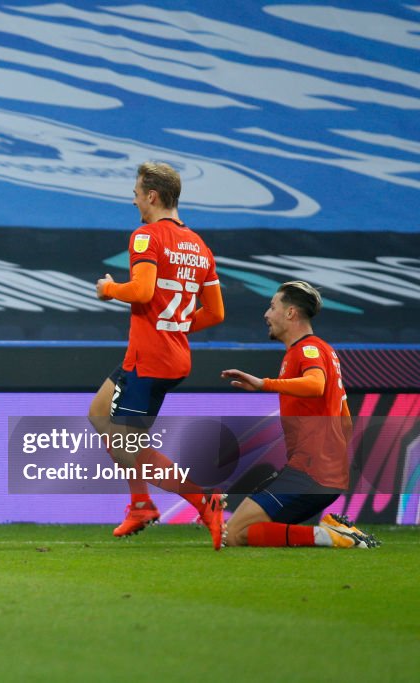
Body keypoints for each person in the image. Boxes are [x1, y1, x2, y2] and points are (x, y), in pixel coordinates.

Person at [90, 160, 227, 548]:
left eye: (136, 194)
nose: (133, 201)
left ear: (152, 195)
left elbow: (143, 291)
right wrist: (176, 326)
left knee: (125, 442)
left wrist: (109, 289)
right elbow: (216, 312)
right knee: (101, 413)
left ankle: (204, 501)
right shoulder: (200, 247)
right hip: (165, 355)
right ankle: (140, 503)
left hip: (151, 357)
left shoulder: (146, 237)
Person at [221, 281, 379, 548]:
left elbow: (316, 385)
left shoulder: (309, 349)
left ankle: (331, 536)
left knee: (234, 534)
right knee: (241, 531)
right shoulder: (322, 350)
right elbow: (346, 419)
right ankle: (332, 531)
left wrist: (264, 384)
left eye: (272, 307)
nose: (266, 314)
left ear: (290, 313)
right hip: (319, 471)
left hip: (310, 472)